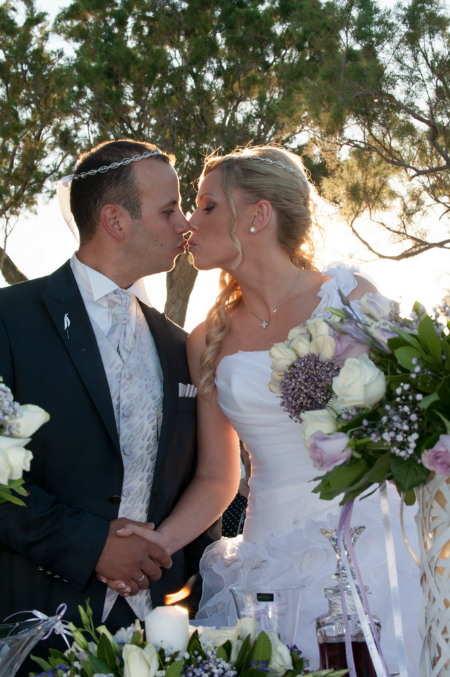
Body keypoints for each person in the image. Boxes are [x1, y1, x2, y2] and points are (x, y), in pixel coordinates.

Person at [0, 139, 239, 673]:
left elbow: (199, 480)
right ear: (115, 220)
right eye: (169, 210)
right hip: (36, 629)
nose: (185, 225)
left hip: (162, 636)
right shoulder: (9, 321)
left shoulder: (179, 345)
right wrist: (90, 545)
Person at [181, 145, 422, 674]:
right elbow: (217, 477)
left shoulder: (349, 298)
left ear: (258, 215)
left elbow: (411, 422)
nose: (189, 222)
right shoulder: (205, 340)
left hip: (369, 545)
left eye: (207, 206)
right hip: (269, 557)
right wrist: (158, 541)